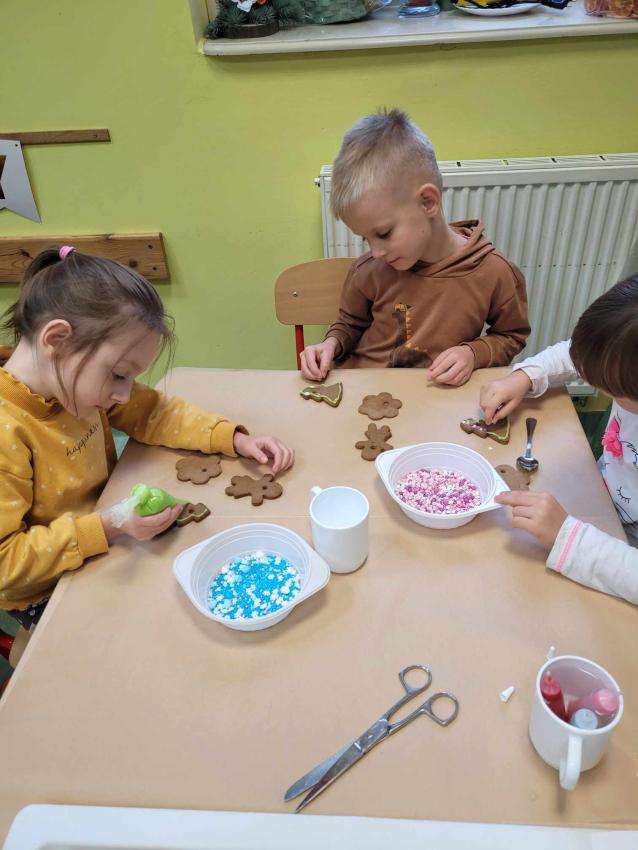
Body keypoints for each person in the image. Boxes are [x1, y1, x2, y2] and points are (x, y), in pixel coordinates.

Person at [0, 246, 294, 633]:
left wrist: (233, 439)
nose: (124, 394)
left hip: (108, 534)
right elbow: (6, 564)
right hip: (47, 589)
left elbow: (154, 412)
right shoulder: (9, 429)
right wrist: (109, 525)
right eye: (119, 375)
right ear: (56, 339)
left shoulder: (69, 382)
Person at [301, 108, 529, 386]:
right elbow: (349, 324)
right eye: (366, 239)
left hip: (437, 397)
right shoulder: (369, 270)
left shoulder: (494, 272)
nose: (376, 252)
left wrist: (474, 353)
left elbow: (511, 335)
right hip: (365, 389)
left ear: (427, 202)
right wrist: (331, 344)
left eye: (384, 233)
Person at [480, 274, 638, 604]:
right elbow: (577, 355)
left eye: (615, 393)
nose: (602, 392)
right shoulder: (625, 356)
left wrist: (569, 539)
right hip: (601, 498)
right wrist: (525, 377)